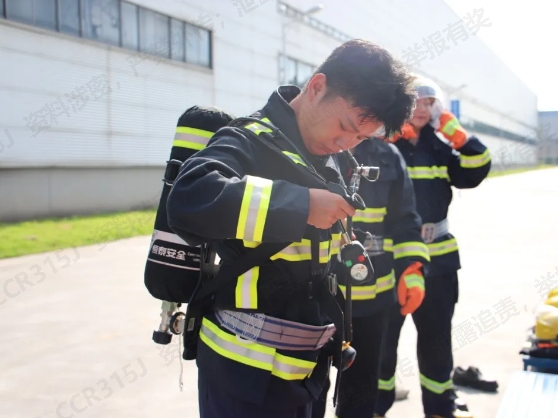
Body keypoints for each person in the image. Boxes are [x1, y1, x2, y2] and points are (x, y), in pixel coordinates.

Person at [166, 39, 416, 418]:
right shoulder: (248, 139)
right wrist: (302, 205)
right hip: (244, 375)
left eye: (360, 139)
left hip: (306, 371)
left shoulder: (327, 158)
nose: (345, 143)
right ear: (317, 87)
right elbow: (189, 199)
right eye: (345, 127)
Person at [375, 76, 492, 418]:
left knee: (437, 342)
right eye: (415, 101)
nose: (422, 108)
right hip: (390, 262)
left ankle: (440, 409)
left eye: (428, 102)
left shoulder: (441, 148)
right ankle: (375, 408)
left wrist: (460, 137)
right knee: (382, 343)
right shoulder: (384, 146)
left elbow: (475, 171)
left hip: (438, 264)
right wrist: (383, 136)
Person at [311, 136, 431, 418]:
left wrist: (412, 268)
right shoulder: (308, 145)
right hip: (314, 295)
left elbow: (404, 218)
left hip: (372, 298)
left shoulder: (388, 156)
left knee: (363, 387)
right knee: (310, 386)